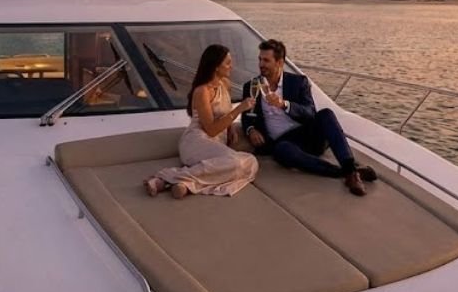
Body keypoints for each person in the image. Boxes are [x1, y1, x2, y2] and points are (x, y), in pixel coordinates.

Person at [242, 39, 376, 196]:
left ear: (279, 62)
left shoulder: (299, 82)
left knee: (326, 114)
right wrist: (251, 129)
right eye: (260, 59)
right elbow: (247, 115)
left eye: (266, 60)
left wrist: (284, 104)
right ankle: (349, 173)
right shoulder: (252, 86)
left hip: (308, 136)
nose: (261, 64)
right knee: (283, 150)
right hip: (282, 143)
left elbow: (310, 112)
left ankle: (349, 169)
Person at [145, 45, 257, 199]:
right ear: (216, 66)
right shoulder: (202, 91)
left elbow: (225, 108)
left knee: (251, 163)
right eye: (228, 63)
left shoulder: (225, 84)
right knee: (236, 164)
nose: (232, 66)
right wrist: (240, 109)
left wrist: (230, 128)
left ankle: (186, 184)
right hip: (197, 141)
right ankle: (166, 178)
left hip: (217, 144)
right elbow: (210, 130)